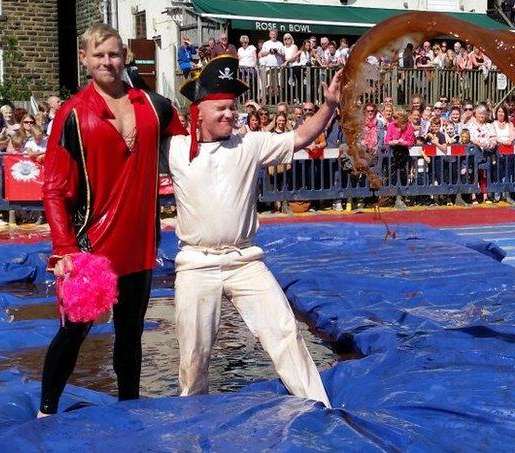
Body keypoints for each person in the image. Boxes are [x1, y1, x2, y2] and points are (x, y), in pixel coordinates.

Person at [163, 55, 333, 407]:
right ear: (200, 112)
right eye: (221, 108)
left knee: (285, 332)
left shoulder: (250, 143)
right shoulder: (175, 150)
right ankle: (191, 415)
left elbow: (301, 136)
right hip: (196, 262)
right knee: (193, 354)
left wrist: (329, 105)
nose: (229, 113)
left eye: (232, 107)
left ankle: (319, 405)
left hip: (245, 260)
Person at [38, 23, 186, 417]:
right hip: (89, 247)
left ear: (125, 58)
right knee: (74, 331)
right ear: (84, 59)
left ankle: (130, 408)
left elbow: (190, 145)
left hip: (140, 243)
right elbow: (52, 187)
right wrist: (64, 248)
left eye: (115, 54)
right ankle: (46, 410)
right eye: (99, 54)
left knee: (131, 335)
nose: (108, 61)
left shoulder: (155, 106)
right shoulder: (71, 113)